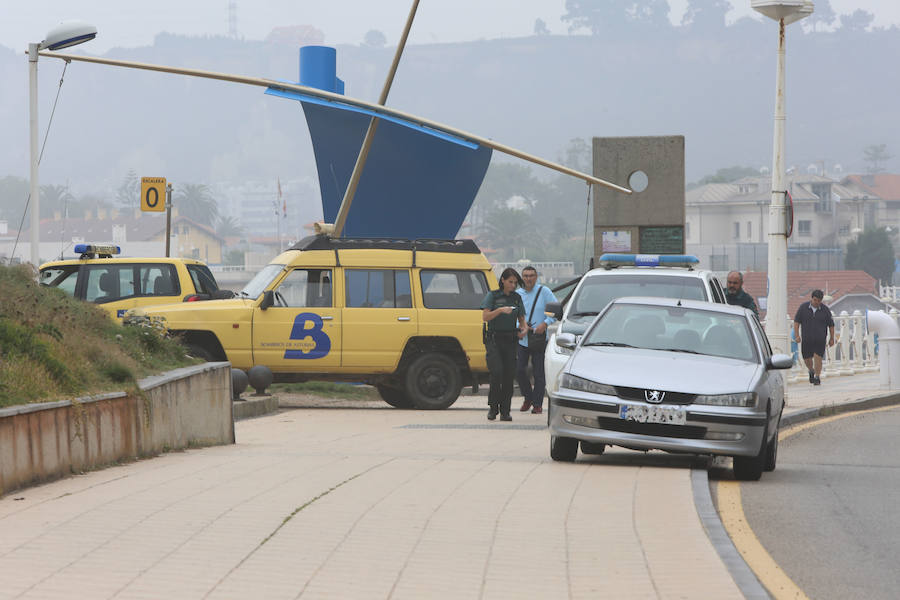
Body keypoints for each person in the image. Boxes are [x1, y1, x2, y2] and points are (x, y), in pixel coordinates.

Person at [481, 268, 527, 421]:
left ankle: (505, 411)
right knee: (497, 373)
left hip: (511, 339)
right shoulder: (493, 296)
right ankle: (493, 408)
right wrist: (500, 310)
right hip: (494, 339)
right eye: (510, 282)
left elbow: (521, 319)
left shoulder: (516, 298)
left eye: (515, 282)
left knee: (508, 376)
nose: (513, 285)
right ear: (503, 280)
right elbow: (485, 316)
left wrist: (524, 329)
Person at [516, 266, 557, 414]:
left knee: (539, 373)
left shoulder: (544, 292)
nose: (528, 278)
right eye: (525, 276)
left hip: (539, 337)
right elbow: (512, 314)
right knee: (519, 370)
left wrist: (545, 323)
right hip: (523, 339)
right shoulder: (517, 294)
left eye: (531, 275)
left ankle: (537, 404)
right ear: (522, 278)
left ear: (536, 277)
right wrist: (519, 327)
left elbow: (556, 310)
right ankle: (528, 397)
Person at [793, 289, 835, 386]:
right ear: (812, 298)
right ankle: (811, 370)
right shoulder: (803, 308)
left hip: (820, 339)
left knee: (818, 357)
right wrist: (797, 335)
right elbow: (796, 322)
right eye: (815, 300)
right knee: (807, 359)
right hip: (807, 338)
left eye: (819, 301)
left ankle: (817, 376)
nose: (817, 302)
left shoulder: (825, 310)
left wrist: (832, 338)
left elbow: (831, 325)